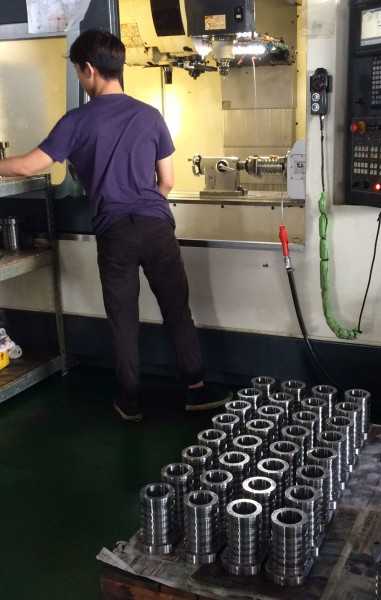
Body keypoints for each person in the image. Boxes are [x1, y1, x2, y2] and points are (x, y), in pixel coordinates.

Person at [0, 29, 231, 421]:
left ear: (89, 69)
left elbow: (27, 166)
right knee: (177, 310)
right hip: (157, 227)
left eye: (78, 71)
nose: (80, 78)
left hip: (115, 232)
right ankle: (196, 390)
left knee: (123, 319)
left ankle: (130, 401)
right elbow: (167, 181)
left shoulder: (77, 121)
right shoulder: (150, 115)